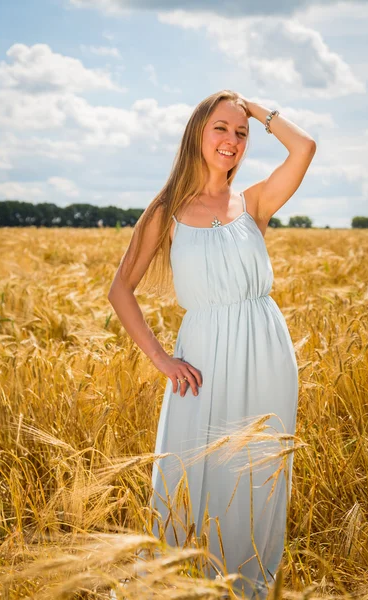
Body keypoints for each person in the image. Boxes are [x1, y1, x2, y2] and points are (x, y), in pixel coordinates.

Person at [108, 89, 316, 598]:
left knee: (257, 478)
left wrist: (254, 108)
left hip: (267, 354)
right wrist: (160, 358)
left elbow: (305, 147)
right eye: (220, 128)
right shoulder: (167, 211)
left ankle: (249, 584)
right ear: (197, 132)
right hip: (200, 358)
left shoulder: (254, 203)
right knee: (188, 469)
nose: (232, 140)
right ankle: (175, 582)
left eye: (240, 133)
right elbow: (120, 289)